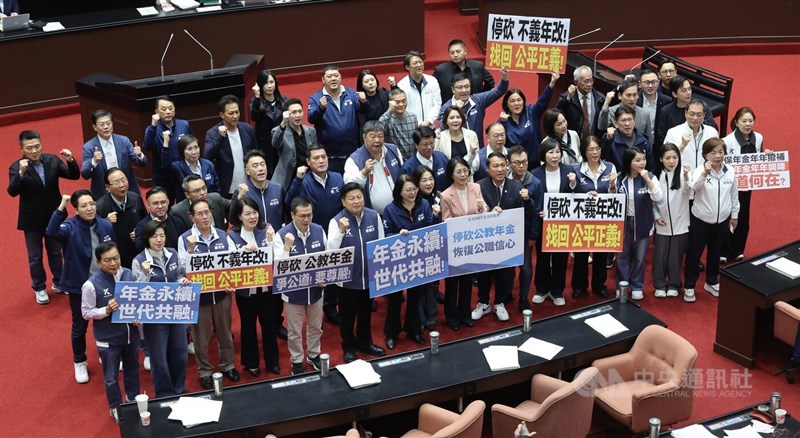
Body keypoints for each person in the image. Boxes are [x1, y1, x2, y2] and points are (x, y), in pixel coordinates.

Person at [46, 190, 115, 384]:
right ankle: (80, 361)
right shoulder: (69, 226)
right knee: (80, 324)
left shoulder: (105, 225)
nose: (90, 208)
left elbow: (113, 252)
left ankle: (106, 353)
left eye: (92, 204)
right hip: (79, 285)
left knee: (107, 318)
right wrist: (60, 208)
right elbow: (51, 233)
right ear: (75, 209)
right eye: (84, 205)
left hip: (104, 281)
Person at [7, 130, 79, 304]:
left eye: (37, 146)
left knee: (55, 251)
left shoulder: (52, 160)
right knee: (35, 256)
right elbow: (12, 191)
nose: (34, 150)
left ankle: (59, 282)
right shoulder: (16, 166)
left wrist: (70, 160)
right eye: (29, 147)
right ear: (22, 148)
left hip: (53, 216)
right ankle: (39, 287)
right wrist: (21, 173)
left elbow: (73, 175)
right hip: (31, 220)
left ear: (41, 144)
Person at [177, 200, 239, 389]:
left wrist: (231, 282)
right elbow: (180, 271)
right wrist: (190, 251)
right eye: (200, 214)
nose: (205, 217)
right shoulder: (185, 239)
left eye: (207, 212)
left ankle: (228, 365)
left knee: (225, 334)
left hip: (221, 295)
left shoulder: (222, 235)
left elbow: (233, 262)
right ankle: (204, 370)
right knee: (201, 339)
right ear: (191, 217)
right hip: (200, 299)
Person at [284, 144, 345, 325]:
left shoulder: (337, 177)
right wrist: (297, 179)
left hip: (335, 231)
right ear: (308, 162)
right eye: (316, 158)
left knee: (335, 266)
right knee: (319, 270)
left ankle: (334, 301)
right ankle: (327, 305)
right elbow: (289, 203)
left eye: (323, 157)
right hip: (313, 232)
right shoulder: (304, 181)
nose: (321, 161)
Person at [327, 183, 387, 363]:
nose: (356, 201)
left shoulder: (373, 216)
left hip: (368, 278)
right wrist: (340, 232)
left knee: (366, 312)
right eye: (351, 198)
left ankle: (365, 342)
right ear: (343, 202)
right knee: (347, 316)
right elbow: (330, 252)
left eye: (359, 197)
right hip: (347, 281)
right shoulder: (336, 221)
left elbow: (381, 243)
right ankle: (348, 347)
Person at [80, 242, 140, 423]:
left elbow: (138, 300)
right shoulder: (90, 285)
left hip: (131, 335)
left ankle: (132, 400)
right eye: (108, 260)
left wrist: (137, 315)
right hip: (108, 339)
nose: (113, 263)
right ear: (98, 262)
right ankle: (115, 406)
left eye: (116, 258)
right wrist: (105, 310)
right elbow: (86, 312)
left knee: (132, 370)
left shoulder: (128, 274)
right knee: (111, 378)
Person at [131, 220, 189, 397]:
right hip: (154, 318)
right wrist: (145, 274)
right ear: (147, 238)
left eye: (162, 236)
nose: (159, 240)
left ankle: (178, 389)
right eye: (154, 236)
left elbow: (180, 274)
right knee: (159, 358)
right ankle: (164, 393)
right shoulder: (139, 261)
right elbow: (136, 291)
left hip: (175, 312)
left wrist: (183, 281)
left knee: (180, 353)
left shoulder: (172, 253)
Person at [474, 152, 533, 321]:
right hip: (485, 240)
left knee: (505, 273)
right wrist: (486, 212)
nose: (500, 169)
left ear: (507, 166)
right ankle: (483, 303)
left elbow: (529, 212)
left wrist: (528, 200)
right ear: (487, 168)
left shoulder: (515, 187)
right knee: (484, 273)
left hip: (508, 241)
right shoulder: (479, 187)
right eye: (495, 166)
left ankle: (499, 303)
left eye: (502, 165)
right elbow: (473, 213)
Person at [273, 196, 327, 375]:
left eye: (309, 215)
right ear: (292, 215)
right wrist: (287, 247)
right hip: (293, 292)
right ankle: (296, 360)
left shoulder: (319, 230)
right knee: (295, 331)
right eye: (302, 216)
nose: (306, 220)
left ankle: (314, 354)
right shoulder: (281, 235)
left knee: (315, 327)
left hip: (316, 290)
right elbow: (278, 267)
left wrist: (324, 276)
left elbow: (326, 259)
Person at [227, 198, 280, 376]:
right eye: (247, 213)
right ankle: (251, 363)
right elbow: (229, 262)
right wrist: (242, 252)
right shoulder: (233, 236)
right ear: (239, 216)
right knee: (248, 326)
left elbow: (276, 258)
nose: (252, 217)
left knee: (269, 325)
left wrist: (271, 240)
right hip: (246, 292)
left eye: (255, 212)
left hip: (267, 289)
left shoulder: (267, 229)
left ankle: (273, 361)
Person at [381, 174, 433, 349]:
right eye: (408, 190)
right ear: (399, 192)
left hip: (418, 257)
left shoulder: (424, 204)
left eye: (414, 189)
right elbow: (386, 235)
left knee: (415, 296)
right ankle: (392, 333)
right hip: (397, 259)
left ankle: (414, 329)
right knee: (395, 298)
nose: (412, 193)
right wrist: (398, 235)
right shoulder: (390, 209)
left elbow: (430, 226)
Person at [684, 138, 739, 301]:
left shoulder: (731, 171)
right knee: (694, 254)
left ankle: (712, 280)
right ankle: (689, 285)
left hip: (722, 220)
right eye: (713, 153)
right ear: (705, 155)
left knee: (715, 253)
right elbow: (693, 188)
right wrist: (704, 173)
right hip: (700, 220)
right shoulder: (698, 171)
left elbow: (734, 195)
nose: (717, 156)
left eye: (720, 152)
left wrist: (734, 215)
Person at [440, 157, 488, 330]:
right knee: (453, 284)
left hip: (472, 243)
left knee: (467, 282)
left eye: (465, 171)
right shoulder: (446, 195)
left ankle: (465, 314)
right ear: (451, 175)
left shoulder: (476, 188)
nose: (463, 175)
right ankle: (452, 317)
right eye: (458, 172)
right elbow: (446, 221)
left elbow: (484, 209)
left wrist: (483, 209)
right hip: (455, 245)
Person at [531, 139, 576, 306]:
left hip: (562, 223)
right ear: (544, 154)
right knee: (542, 257)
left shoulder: (569, 171)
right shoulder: (535, 173)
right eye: (550, 152)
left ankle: (557, 291)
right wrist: (538, 211)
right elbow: (533, 198)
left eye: (557, 152)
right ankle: (541, 289)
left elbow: (575, 196)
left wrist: (572, 184)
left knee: (560, 258)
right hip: (543, 222)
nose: (555, 156)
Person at [615, 147, 663, 301]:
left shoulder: (651, 177)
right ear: (629, 162)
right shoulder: (619, 178)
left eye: (644, 159)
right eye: (638, 160)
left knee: (640, 258)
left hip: (642, 222)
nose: (642, 163)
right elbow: (611, 200)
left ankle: (637, 286)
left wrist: (647, 179)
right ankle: (621, 285)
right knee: (622, 257)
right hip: (623, 224)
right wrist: (610, 187)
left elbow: (658, 198)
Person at [571, 136, 616, 299]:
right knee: (581, 255)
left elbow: (615, 195)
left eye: (597, 148)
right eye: (590, 149)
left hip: (603, 219)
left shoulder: (610, 167)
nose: (595, 152)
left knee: (601, 255)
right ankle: (579, 286)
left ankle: (599, 285)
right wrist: (581, 191)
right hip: (583, 220)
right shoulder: (576, 169)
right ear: (584, 151)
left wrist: (611, 186)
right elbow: (571, 196)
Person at [722, 107, 765, 262]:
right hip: (729, 185)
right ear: (736, 122)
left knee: (743, 215)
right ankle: (724, 251)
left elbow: (759, 158)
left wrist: (767, 157)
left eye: (750, 121)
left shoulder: (759, 138)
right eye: (744, 121)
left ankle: (738, 249)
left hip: (747, 186)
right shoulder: (727, 141)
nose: (748, 124)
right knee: (728, 215)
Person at [652, 143, 691, 300]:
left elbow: (689, 191)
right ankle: (660, 284)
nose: (672, 161)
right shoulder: (655, 176)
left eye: (675, 157)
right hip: (662, 222)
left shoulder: (683, 174)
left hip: (681, 223)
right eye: (668, 158)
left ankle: (674, 284)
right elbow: (652, 201)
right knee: (660, 256)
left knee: (676, 256)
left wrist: (687, 177)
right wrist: (656, 217)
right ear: (661, 159)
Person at [507, 146, 544, 311]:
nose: (521, 166)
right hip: (506, 231)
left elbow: (537, 213)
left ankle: (523, 297)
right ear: (509, 164)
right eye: (517, 163)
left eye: (524, 162)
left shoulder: (535, 183)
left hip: (525, 231)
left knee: (526, 266)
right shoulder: (504, 180)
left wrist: (533, 236)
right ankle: (506, 293)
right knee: (506, 266)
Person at [308, 65, 362, 175]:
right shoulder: (316, 98)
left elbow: (363, 110)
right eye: (329, 76)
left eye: (336, 75)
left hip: (352, 153)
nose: (333, 78)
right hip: (330, 157)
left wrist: (364, 101)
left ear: (341, 77)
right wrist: (320, 108)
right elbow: (311, 118)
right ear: (323, 79)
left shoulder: (350, 93)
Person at [80, 109, 146, 199]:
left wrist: (139, 155)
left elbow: (142, 163)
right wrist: (94, 161)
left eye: (108, 123)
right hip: (103, 194)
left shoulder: (124, 141)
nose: (106, 127)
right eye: (102, 124)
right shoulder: (89, 147)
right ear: (95, 127)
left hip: (128, 190)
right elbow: (85, 174)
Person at [343, 120, 404, 215]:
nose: (377, 140)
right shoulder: (354, 159)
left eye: (380, 136)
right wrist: (364, 172)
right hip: (371, 216)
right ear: (364, 137)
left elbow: (403, 176)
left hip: (398, 211)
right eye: (372, 136)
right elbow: (349, 187)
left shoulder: (393, 150)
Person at [498, 72, 559, 167]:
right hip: (515, 166)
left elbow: (543, 101)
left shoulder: (531, 112)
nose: (516, 104)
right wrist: (503, 123)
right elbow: (501, 143)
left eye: (519, 100)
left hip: (535, 164)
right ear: (507, 104)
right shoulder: (503, 121)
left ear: (523, 101)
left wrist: (552, 83)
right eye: (512, 101)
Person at [438, 67, 510, 148]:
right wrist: (454, 109)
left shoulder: (478, 100)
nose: (464, 90)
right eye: (459, 87)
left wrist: (504, 77)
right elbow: (442, 128)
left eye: (467, 86)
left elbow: (498, 91)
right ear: (452, 89)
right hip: (456, 151)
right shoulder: (446, 107)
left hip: (477, 149)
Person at [142, 95, 193, 203]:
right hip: (162, 176)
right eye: (164, 109)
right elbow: (147, 146)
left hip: (183, 174)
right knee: (165, 206)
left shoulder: (184, 125)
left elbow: (192, 144)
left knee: (183, 206)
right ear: (156, 111)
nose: (168, 112)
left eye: (171, 108)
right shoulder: (152, 128)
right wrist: (153, 125)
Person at [204, 94, 257, 197]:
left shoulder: (247, 129)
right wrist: (219, 138)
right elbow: (208, 157)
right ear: (222, 115)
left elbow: (255, 153)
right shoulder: (213, 133)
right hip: (227, 189)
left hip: (249, 186)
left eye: (237, 112)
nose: (235, 116)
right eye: (231, 113)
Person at [95, 167, 147, 268]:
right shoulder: (100, 206)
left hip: (136, 251)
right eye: (116, 182)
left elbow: (145, 220)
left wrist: (139, 231)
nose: (122, 185)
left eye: (124, 180)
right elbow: (94, 232)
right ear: (107, 187)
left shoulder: (135, 198)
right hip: (115, 257)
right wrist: (105, 222)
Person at [412, 166, 443, 330]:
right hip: (416, 250)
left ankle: (431, 316)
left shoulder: (438, 197)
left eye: (431, 179)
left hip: (435, 248)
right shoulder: (413, 201)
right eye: (424, 180)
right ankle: (419, 319)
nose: (428, 183)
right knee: (419, 287)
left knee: (432, 285)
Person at [655, 76, 718, 149]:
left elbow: (712, 127)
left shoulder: (700, 106)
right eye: (684, 90)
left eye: (689, 89)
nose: (688, 93)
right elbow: (661, 137)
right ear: (674, 94)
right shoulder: (666, 111)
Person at [271, 98, 316, 191]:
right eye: (294, 112)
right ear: (287, 114)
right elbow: (275, 144)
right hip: (288, 178)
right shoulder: (278, 131)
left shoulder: (311, 131)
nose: (298, 115)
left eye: (300, 111)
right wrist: (283, 123)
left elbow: (314, 152)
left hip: (307, 177)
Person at [663, 99, 720, 171]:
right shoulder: (673, 132)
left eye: (699, 115)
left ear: (704, 115)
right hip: (682, 177)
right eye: (692, 114)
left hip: (706, 176)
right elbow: (666, 159)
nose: (695, 118)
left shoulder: (712, 132)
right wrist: (682, 146)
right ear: (686, 113)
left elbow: (718, 156)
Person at [433, 39, 495, 103]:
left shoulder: (478, 66)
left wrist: (481, 98)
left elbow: (490, 83)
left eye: (458, 51)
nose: (455, 55)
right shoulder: (440, 70)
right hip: (450, 109)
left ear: (465, 51)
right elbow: (432, 89)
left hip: (474, 106)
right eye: (452, 53)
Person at [250, 70, 287, 177]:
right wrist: (257, 97)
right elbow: (254, 117)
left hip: (282, 143)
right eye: (266, 83)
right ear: (260, 85)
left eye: (272, 82)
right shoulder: (256, 102)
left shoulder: (283, 100)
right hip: (265, 145)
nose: (270, 86)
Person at [170, 174, 235, 232]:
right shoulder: (177, 211)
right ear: (187, 194)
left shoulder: (215, 198)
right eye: (197, 191)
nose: (202, 193)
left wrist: (239, 196)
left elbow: (233, 205)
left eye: (204, 188)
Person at [555, 65, 605, 140]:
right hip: (573, 141)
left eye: (591, 80)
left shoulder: (599, 98)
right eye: (585, 81)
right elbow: (556, 114)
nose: (589, 84)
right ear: (576, 82)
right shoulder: (567, 96)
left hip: (593, 142)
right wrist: (567, 99)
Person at [395, 51, 442, 127]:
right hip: (411, 127)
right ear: (407, 67)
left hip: (429, 126)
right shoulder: (402, 85)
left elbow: (437, 103)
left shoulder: (432, 80)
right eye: (415, 63)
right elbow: (402, 108)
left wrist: (429, 121)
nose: (419, 65)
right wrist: (417, 123)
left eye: (420, 62)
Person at [170, 134, 220, 203]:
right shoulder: (177, 167)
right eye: (189, 149)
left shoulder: (208, 164)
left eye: (196, 147)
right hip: (187, 207)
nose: (194, 152)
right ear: (182, 152)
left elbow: (216, 188)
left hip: (208, 204)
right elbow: (165, 164)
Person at [601, 106, 654, 172]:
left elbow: (650, 166)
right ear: (616, 123)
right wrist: (608, 140)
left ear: (634, 121)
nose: (627, 124)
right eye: (623, 120)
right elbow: (602, 158)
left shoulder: (644, 140)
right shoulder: (610, 140)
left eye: (630, 120)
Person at [134, 186, 185, 253]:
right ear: (148, 205)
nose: (160, 206)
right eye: (155, 203)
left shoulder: (177, 221)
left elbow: (183, 244)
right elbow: (139, 248)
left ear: (168, 202)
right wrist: (151, 228)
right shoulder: (142, 225)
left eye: (163, 202)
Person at [401, 126, 450, 191]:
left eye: (431, 143)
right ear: (416, 145)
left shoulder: (441, 157)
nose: (429, 147)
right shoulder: (408, 168)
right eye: (425, 144)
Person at [380, 88, 421, 160]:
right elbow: (379, 128)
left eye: (404, 101)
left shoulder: (413, 116)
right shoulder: (387, 118)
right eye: (397, 102)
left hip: (412, 159)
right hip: (394, 159)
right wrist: (390, 110)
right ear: (390, 103)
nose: (401, 104)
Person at [637, 69, 672, 142]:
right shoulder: (634, 100)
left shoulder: (667, 101)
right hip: (638, 143)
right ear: (640, 84)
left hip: (659, 143)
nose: (650, 86)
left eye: (653, 82)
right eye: (646, 82)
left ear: (658, 82)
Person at [356, 69, 390, 133]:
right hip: (370, 133)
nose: (371, 83)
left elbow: (397, 98)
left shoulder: (384, 92)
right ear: (362, 85)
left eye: (372, 80)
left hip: (387, 131)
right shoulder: (359, 99)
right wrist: (364, 101)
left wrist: (394, 86)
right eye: (366, 81)